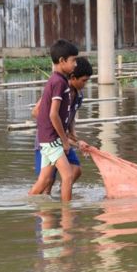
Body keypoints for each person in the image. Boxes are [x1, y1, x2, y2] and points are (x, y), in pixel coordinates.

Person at [28, 39, 81, 202]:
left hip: (47, 138)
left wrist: (71, 138)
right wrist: (64, 141)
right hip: (52, 139)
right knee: (67, 176)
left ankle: (27, 203)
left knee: (44, 179)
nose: (75, 65)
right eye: (73, 60)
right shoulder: (58, 82)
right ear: (62, 61)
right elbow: (53, 115)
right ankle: (66, 211)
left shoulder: (58, 80)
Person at [31, 57, 93, 194]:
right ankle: (44, 206)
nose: (85, 84)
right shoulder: (59, 88)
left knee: (75, 170)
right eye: (83, 80)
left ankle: (62, 194)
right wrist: (54, 128)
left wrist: (75, 139)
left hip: (63, 138)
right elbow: (36, 112)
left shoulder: (78, 96)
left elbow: (71, 119)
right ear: (72, 77)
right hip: (49, 139)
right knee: (48, 180)